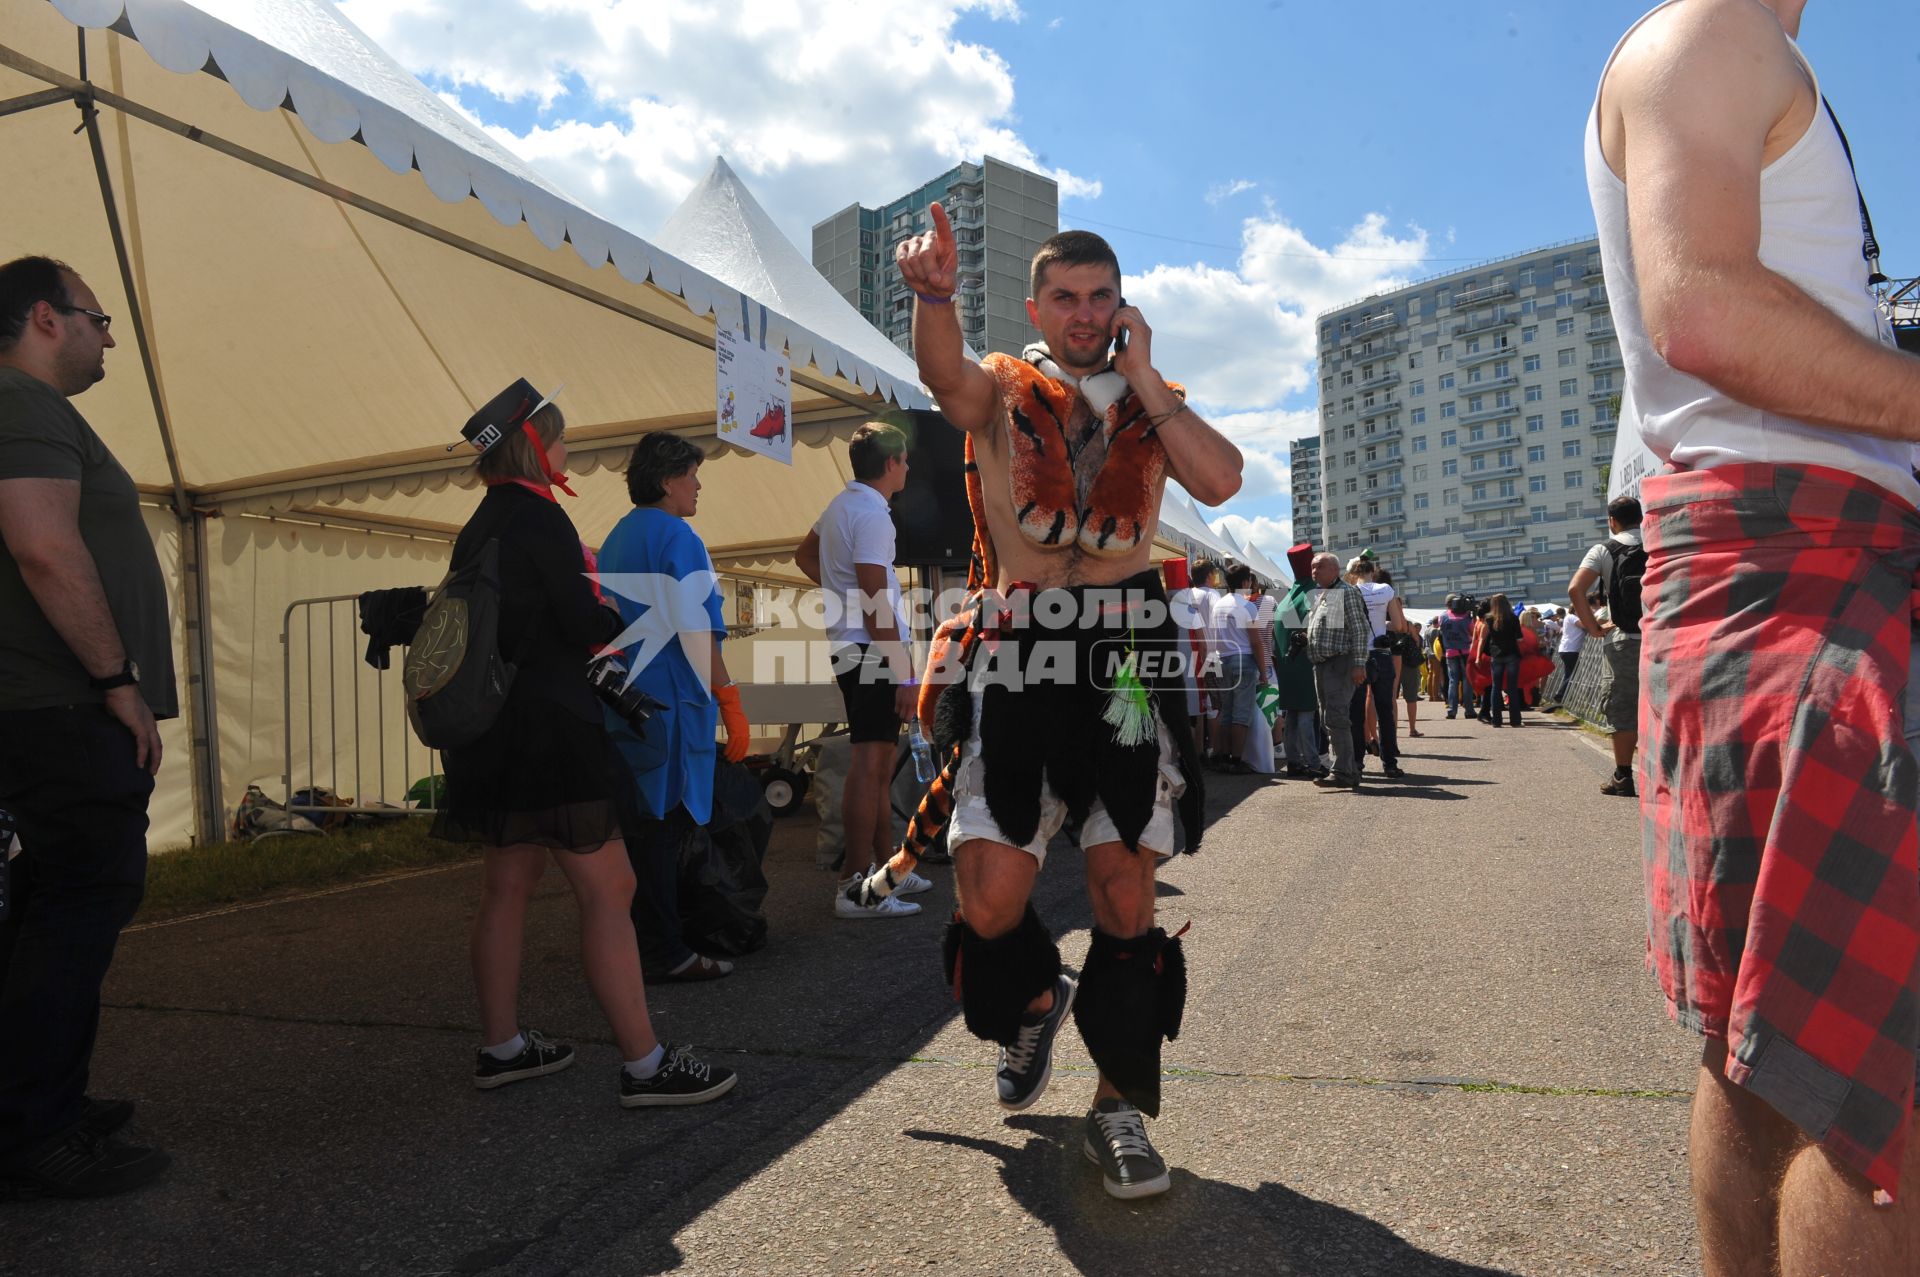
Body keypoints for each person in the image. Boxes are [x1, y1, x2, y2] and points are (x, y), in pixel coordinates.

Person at [1590, 0, 1920, 1265]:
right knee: (1880, 1064)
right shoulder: (1713, 36)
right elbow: (1706, 310)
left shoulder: (1735, 51)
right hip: (1800, 566)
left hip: (1787, 564)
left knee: (1767, 1041)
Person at [895, 212, 1240, 1198]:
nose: (1084, 315)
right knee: (990, 896)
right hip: (1022, 646)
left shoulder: (1154, 400)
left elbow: (1221, 478)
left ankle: (1119, 1107)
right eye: (1066, 298)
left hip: (1128, 654)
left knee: (1127, 896)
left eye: (1101, 298)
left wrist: (1143, 376)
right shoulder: (1002, 385)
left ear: (1121, 304)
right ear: (1039, 305)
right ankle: (1040, 997)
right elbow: (942, 377)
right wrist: (932, 298)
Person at [431, 380, 734, 1109]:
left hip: (493, 733)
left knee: (506, 885)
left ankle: (502, 1047)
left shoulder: (481, 523)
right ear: (534, 447)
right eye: (560, 438)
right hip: (553, 730)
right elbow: (578, 622)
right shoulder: (541, 519)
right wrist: (599, 601)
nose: (567, 451)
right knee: (612, 887)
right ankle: (645, 1062)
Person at [0, 257, 172, 1197]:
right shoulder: (23, 404)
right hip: (60, 709)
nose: (109, 336)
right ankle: (38, 1130)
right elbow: (41, 542)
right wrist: (115, 679)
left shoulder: (29, 410)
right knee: (78, 906)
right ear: (45, 318)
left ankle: (34, 1099)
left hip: (49, 709)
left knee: (40, 912)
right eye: (98, 319)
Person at [598, 432, 752, 981]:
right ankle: (668, 951)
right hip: (670, 703)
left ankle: (641, 944)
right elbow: (697, 626)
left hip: (623, 702)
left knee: (637, 832)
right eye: (691, 475)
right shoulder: (678, 535)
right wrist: (729, 698)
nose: (698, 485)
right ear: (668, 482)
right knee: (663, 830)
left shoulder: (616, 537)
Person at [795, 422, 931, 918]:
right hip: (871, 650)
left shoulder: (840, 506)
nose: (909, 468)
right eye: (905, 461)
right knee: (870, 767)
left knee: (874, 768)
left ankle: (883, 871)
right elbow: (876, 601)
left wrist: (840, 595)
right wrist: (905, 675)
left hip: (855, 646)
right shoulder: (872, 514)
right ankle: (857, 889)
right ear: (892, 463)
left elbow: (804, 555)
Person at [1566, 497, 1644, 796]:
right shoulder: (1659, 543)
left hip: (1623, 638)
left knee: (1622, 707)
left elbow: (1575, 589)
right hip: (1663, 638)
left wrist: (1594, 627)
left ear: (1612, 520)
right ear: (1641, 517)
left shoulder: (1605, 549)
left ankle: (1623, 776)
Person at [1305, 552, 1370, 791]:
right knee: (1329, 718)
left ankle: (1345, 771)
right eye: (1312, 567)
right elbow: (1329, 629)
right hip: (1323, 665)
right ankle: (1345, 769)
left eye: (1319, 567)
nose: (1314, 571)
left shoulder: (1346, 592)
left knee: (1336, 716)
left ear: (1334, 570)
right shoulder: (1324, 595)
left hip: (1340, 663)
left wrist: (1359, 664)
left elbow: (1360, 630)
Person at [1346, 556, 1406, 779]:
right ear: (1373, 571)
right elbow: (1399, 625)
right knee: (1385, 711)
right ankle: (1390, 763)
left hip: (1358, 656)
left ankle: (1356, 763)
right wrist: (1382, 625)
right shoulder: (1386, 590)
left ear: (1353, 573)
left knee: (1356, 711)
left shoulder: (1348, 591)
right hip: (1381, 655)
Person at [1205, 563, 1268, 774]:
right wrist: (1264, 671)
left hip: (1222, 659)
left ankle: (1222, 755)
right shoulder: (1247, 606)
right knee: (1241, 713)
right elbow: (1256, 642)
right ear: (1245, 582)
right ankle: (1237, 759)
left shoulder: (1218, 605)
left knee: (1226, 712)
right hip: (1243, 660)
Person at [1480, 594, 1523, 728]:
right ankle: (1515, 720)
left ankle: (1496, 720)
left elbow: (1484, 638)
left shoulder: (1489, 619)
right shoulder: (1513, 618)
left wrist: (1478, 656)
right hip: (1511, 653)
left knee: (1495, 687)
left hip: (1496, 655)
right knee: (1512, 688)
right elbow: (1519, 638)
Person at [1437, 594, 1477, 720]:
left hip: (1450, 652)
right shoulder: (1466, 617)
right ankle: (1469, 710)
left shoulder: (1442, 617)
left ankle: (1451, 710)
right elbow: (1473, 632)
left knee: (1453, 681)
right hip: (1465, 652)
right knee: (1467, 680)